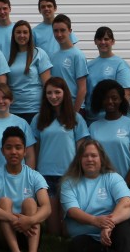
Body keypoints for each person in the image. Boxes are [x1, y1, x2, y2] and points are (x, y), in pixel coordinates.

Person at [60, 139, 130, 252]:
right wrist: (95, 221)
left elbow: (127, 203)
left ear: (101, 158)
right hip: (86, 235)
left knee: (124, 224)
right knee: (75, 247)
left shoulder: (112, 177)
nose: (89, 159)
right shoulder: (69, 182)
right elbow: (72, 211)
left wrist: (108, 225)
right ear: (79, 159)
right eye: (85, 156)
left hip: (114, 230)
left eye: (94, 155)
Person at [0, 126, 51, 252]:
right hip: (3, 234)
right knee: (4, 202)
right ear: (2, 151)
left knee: (31, 202)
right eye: (9, 148)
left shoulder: (34, 176)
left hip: (29, 232)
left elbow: (47, 207)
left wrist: (30, 220)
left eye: (18, 147)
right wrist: (15, 219)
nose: (13, 152)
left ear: (25, 151)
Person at [31, 76, 90, 236]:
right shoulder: (38, 119)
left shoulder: (76, 118)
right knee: (54, 230)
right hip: (46, 176)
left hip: (69, 175)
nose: (53, 96)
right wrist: (34, 171)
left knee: (67, 231)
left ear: (64, 93)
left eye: (57, 92)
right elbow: (34, 148)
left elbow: (81, 149)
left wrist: (80, 172)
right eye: (49, 93)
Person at [87, 80, 130, 225]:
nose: (110, 101)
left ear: (121, 99)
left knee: (127, 227)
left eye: (114, 97)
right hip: (100, 185)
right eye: (106, 97)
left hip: (128, 183)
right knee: (105, 224)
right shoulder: (94, 127)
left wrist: (123, 185)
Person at [5, 20, 53, 123]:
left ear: (30, 35)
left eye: (25, 32)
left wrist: (48, 108)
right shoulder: (8, 56)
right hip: (14, 110)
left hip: (35, 109)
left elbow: (47, 85)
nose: (22, 35)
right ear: (13, 35)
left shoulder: (39, 53)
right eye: (18, 32)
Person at [84, 27, 130, 123]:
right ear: (95, 42)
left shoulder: (121, 65)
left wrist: (120, 120)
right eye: (99, 39)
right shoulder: (89, 66)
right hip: (93, 119)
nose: (103, 42)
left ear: (113, 41)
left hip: (115, 119)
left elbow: (126, 94)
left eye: (106, 39)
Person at [50, 14, 88, 113]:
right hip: (57, 108)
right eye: (56, 31)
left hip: (74, 108)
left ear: (70, 31)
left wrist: (75, 112)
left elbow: (82, 88)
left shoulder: (78, 55)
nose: (59, 34)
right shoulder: (53, 56)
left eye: (62, 30)